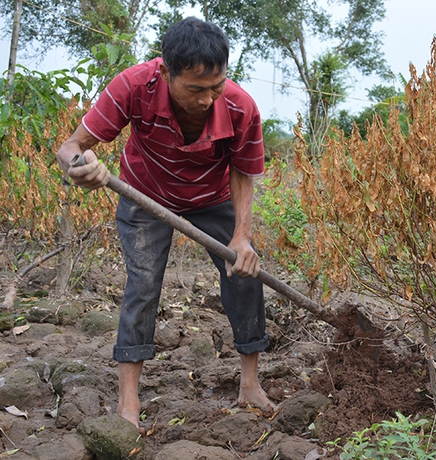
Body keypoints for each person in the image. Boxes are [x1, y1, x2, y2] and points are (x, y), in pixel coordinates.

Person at [56, 17, 276, 431]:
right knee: (142, 285)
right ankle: (129, 400)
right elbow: (69, 147)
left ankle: (250, 383)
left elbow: (243, 173)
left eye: (216, 86)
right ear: (165, 71)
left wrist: (242, 237)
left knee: (246, 277)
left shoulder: (240, 106)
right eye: (195, 89)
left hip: (212, 199)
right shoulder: (134, 85)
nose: (208, 99)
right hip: (145, 194)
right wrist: (79, 166)